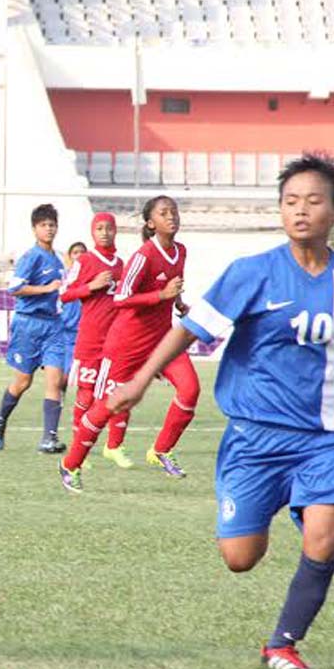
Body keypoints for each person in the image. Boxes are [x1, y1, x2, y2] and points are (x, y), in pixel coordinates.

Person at [108, 153, 334, 669]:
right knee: (240, 558)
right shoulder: (252, 273)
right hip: (254, 438)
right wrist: (137, 381)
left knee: (325, 528)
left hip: (324, 438)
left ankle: (282, 644)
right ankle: (263, 505)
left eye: (314, 201)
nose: (301, 211)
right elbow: (190, 327)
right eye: (291, 201)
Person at [59, 196, 199, 490]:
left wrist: (179, 303)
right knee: (108, 405)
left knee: (190, 389)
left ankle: (160, 450)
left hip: (163, 339)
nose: (171, 216)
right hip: (127, 344)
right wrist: (160, 296)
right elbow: (121, 298)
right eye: (164, 213)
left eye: (174, 211)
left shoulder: (182, 251)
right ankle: (70, 464)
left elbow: (171, 286)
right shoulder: (143, 256)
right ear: (151, 223)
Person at [0, 204, 68, 454]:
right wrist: (45, 289)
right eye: (44, 225)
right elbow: (14, 288)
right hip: (28, 325)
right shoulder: (31, 257)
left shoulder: (58, 259)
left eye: (52, 225)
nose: (49, 229)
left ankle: (49, 438)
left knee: (55, 380)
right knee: (23, 381)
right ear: (35, 229)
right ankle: (0, 419)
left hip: (53, 326)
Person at [58, 214, 124, 461]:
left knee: (116, 392)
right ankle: (78, 448)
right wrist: (92, 286)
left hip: (116, 340)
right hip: (90, 339)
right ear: (92, 232)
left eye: (108, 228)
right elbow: (64, 294)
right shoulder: (85, 260)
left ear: (115, 231)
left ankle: (114, 446)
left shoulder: (122, 265)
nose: (104, 232)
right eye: (99, 228)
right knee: (86, 394)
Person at [57, 241, 87, 398]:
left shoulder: (92, 278)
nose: (79, 255)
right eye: (75, 252)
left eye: (82, 252)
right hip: (67, 331)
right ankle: (58, 398)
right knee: (65, 372)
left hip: (87, 332)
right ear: (70, 256)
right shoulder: (64, 278)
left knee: (88, 375)